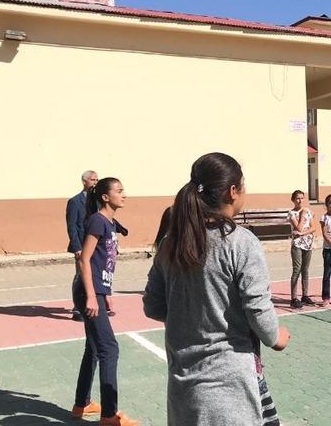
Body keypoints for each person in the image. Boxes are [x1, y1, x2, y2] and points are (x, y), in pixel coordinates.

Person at [142, 152, 290, 425]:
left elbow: (153, 305)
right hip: (229, 390)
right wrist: (276, 337)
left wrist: (191, 317)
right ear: (233, 191)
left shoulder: (170, 243)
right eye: (243, 185)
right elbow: (258, 309)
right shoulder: (240, 242)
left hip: (184, 390)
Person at [71, 177, 138, 426]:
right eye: (119, 191)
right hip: (88, 292)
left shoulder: (110, 222)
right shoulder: (98, 221)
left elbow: (103, 262)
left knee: (94, 348)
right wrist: (91, 295)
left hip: (97, 290)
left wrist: (105, 292)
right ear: (106, 197)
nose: (125, 194)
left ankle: (82, 404)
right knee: (110, 349)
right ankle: (109, 416)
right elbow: (84, 259)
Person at [66, 170, 98, 321]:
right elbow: (72, 226)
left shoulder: (99, 201)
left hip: (96, 245)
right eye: (92, 179)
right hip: (81, 244)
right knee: (80, 275)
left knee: (95, 274)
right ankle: (77, 308)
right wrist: (77, 246)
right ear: (84, 181)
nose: (95, 182)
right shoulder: (74, 202)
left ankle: (96, 303)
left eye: (97, 180)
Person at [288, 190, 315, 309]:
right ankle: (294, 298)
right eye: (298, 198)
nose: (300, 200)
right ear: (293, 200)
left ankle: (305, 295)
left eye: (302, 198)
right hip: (297, 245)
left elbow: (313, 228)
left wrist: (303, 233)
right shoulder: (292, 213)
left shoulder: (308, 211)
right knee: (297, 270)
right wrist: (303, 215)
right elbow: (298, 227)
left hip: (308, 243)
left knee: (305, 270)